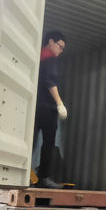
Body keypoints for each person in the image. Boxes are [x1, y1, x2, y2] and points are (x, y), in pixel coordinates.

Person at [33, 30, 68, 189]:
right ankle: (43, 179)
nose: (60, 51)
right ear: (51, 42)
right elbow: (51, 82)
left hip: (34, 108)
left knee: (31, 142)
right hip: (47, 109)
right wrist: (60, 103)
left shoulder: (35, 56)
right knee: (48, 144)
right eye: (60, 46)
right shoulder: (50, 58)